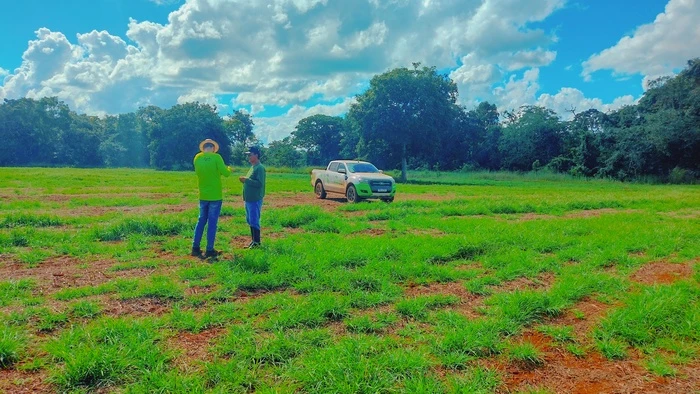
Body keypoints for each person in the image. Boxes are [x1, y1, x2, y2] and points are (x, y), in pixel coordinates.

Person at [192, 139, 231, 258]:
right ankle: (209, 249)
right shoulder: (216, 157)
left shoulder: (197, 158)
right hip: (215, 195)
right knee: (212, 223)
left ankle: (195, 247)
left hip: (203, 195)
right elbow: (226, 173)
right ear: (213, 148)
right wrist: (229, 168)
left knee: (201, 221)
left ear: (203, 148)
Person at [239, 146, 266, 248]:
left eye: (250, 155)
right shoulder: (253, 167)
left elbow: (260, 183)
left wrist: (246, 180)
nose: (248, 157)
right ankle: (254, 241)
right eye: (248, 155)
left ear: (256, 155)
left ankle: (257, 243)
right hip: (249, 199)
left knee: (254, 220)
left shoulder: (260, 168)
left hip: (255, 199)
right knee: (250, 220)